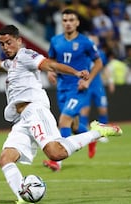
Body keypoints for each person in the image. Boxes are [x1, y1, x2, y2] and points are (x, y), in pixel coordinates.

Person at [0, 24, 122, 204]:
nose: (5, 47)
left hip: (35, 110)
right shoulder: (11, 63)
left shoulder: (25, 55)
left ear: (19, 41)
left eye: (9, 42)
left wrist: (76, 72)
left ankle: (97, 132)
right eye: (2, 44)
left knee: (56, 153)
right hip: (21, 120)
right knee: (5, 159)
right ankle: (25, 200)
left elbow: (50, 64)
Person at [43, 9, 104, 171]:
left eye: (71, 20)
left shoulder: (85, 42)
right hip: (62, 88)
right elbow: (52, 60)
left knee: (63, 121)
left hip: (78, 88)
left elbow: (98, 63)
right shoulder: (55, 40)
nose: (68, 23)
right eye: (65, 20)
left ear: (77, 23)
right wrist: (50, 71)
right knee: (75, 127)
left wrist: (88, 81)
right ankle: (92, 138)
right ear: (61, 23)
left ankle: (57, 161)